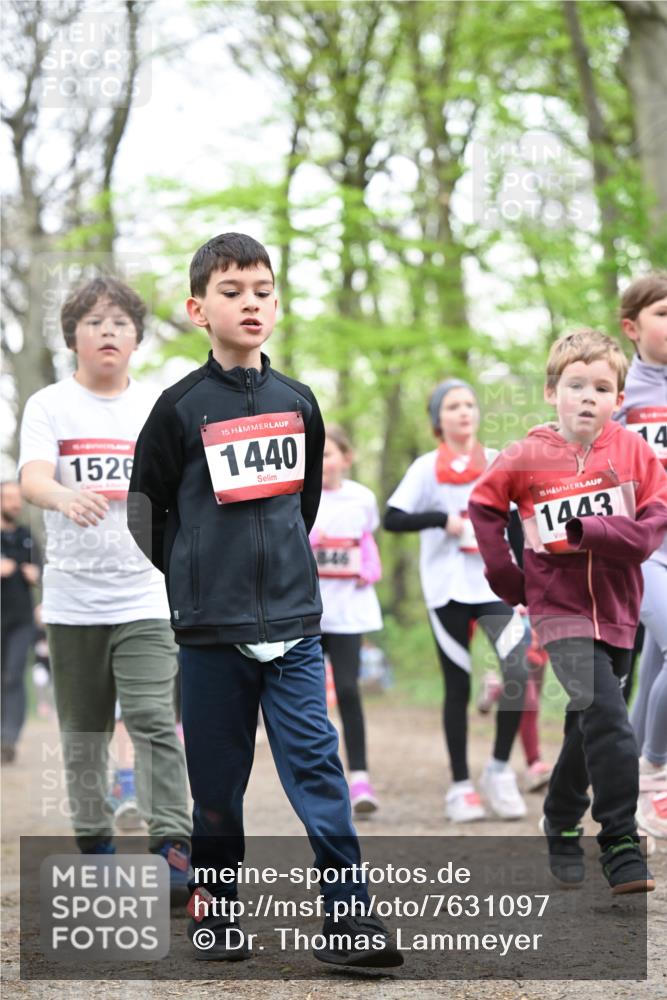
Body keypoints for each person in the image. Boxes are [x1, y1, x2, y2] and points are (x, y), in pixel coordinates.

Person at [127, 232, 402, 968]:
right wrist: (191, 578)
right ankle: (216, 914)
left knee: (317, 768)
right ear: (196, 308)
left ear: (276, 303)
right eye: (231, 291)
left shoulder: (298, 402)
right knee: (217, 785)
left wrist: (277, 574)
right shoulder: (177, 408)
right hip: (209, 632)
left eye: (261, 290)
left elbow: (300, 507)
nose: (250, 303)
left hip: (293, 627)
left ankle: (349, 919)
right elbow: (144, 508)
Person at [469, 328, 667, 893]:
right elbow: (484, 504)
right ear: (552, 390)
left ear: (618, 399)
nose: (588, 396)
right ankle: (620, 840)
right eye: (575, 385)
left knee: (588, 725)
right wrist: (507, 576)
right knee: (608, 718)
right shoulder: (528, 454)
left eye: (602, 388)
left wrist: (592, 531)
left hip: (619, 610)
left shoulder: (634, 452)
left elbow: (653, 524)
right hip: (558, 610)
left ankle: (558, 817)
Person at [19, 276, 192, 898]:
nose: (108, 331)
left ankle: (173, 844)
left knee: (150, 717)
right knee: (85, 732)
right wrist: (63, 495)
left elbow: (187, 488)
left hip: (146, 592)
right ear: (73, 337)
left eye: (120, 322)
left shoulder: (159, 407)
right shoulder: (49, 405)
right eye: (94, 322)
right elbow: (34, 476)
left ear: (138, 336)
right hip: (72, 600)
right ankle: (94, 843)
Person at [384, 379, 529, 822]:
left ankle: (500, 771)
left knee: (519, 670)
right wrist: (442, 520)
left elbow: (518, 524)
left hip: (494, 588)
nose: (464, 412)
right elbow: (392, 517)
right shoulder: (427, 467)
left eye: (469, 404)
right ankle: (461, 785)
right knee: (457, 686)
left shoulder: (498, 463)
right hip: (446, 589)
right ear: (437, 420)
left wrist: (525, 585)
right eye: (452, 406)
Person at [616, 272, 667, 839]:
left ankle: (627, 789)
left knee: (655, 663)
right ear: (632, 327)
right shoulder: (621, 393)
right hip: (643, 549)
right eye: (664, 314)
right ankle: (655, 771)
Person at [310, 425, 383, 816]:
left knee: (350, 692)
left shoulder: (362, 498)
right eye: (316, 454)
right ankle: (321, 780)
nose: (323, 462)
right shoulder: (302, 495)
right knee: (310, 699)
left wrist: (369, 567)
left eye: (329, 454)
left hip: (349, 613)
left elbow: (367, 539)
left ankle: (360, 778)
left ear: (346, 458)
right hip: (308, 612)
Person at [1, 480, 41, 763]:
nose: (15, 503)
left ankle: (9, 738)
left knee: (14, 676)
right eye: (9, 497)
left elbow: (43, 570)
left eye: (18, 498)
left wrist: (35, 574)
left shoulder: (28, 536)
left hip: (22, 620)